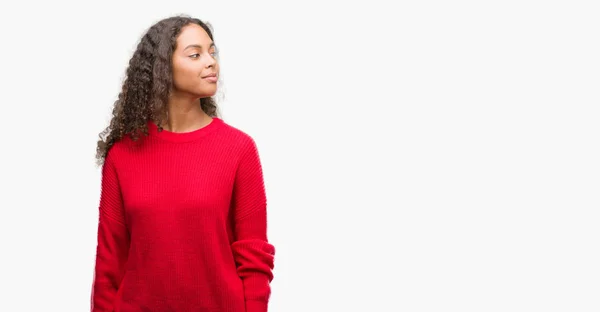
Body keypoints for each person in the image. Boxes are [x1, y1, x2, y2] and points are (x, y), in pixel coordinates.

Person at [91, 15, 275, 312]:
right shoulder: (122, 156)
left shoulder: (239, 149)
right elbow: (109, 263)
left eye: (212, 52)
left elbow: (254, 257)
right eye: (195, 54)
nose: (211, 62)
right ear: (163, 68)